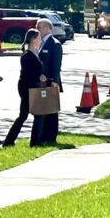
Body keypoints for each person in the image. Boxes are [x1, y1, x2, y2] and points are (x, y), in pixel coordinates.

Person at [2, 28, 49, 147]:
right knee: (37, 114)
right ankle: (35, 141)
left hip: (33, 86)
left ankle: (9, 141)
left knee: (24, 115)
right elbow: (29, 73)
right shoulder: (27, 55)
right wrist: (39, 76)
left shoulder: (35, 53)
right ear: (33, 39)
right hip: (28, 87)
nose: (40, 40)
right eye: (38, 38)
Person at [36, 17, 63, 145]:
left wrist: (54, 80)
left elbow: (56, 65)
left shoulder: (54, 44)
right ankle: (43, 135)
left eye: (39, 27)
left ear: (47, 28)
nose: (37, 30)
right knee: (43, 109)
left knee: (51, 111)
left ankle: (50, 136)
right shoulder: (40, 43)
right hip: (41, 82)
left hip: (50, 81)